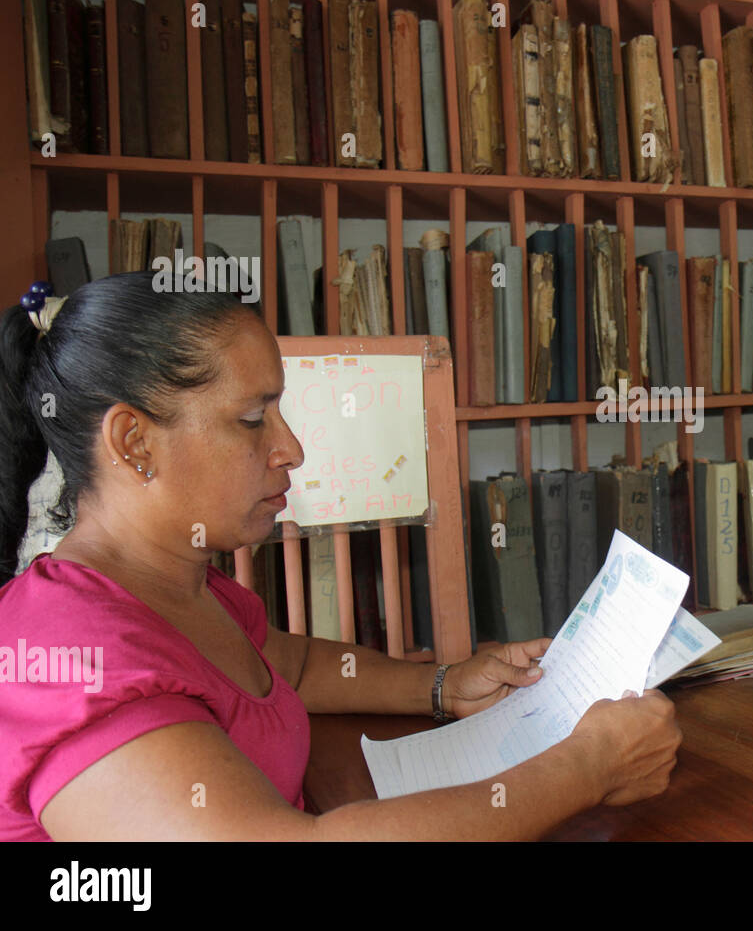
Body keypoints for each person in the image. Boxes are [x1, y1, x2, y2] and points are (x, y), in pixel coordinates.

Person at [0, 273, 681, 841]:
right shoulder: (64, 654)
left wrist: (443, 686)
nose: (291, 448)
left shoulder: (184, 584)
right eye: (251, 419)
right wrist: (588, 769)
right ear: (134, 443)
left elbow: (282, 663)